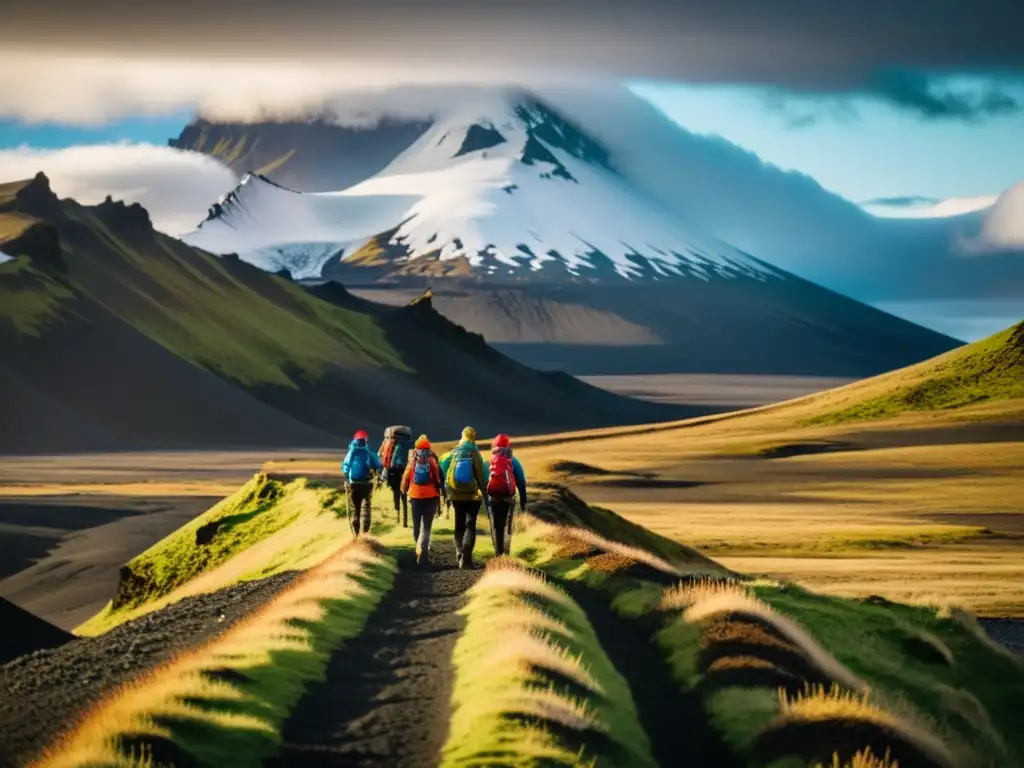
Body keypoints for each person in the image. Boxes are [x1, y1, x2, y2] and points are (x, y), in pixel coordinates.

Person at [439, 426, 489, 569]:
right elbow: (480, 473)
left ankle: (459, 551)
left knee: (459, 524)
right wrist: (483, 490)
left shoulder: (454, 452)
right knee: (470, 524)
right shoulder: (475, 452)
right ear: (473, 437)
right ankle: (466, 559)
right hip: (472, 495)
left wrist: (446, 489)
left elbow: (444, 468)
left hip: (456, 495)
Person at [401, 434, 445, 566]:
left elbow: (406, 476)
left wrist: (404, 490)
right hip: (431, 496)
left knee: (416, 525)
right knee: (426, 526)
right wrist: (441, 492)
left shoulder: (413, 459)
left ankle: (418, 547)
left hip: (415, 496)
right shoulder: (433, 458)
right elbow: (439, 477)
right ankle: (424, 553)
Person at [485, 433, 528, 556]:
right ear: (508, 446)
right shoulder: (513, 461)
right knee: (508, 525)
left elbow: (485, 480)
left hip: (493, 497)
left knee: (497, 525)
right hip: (508, 498)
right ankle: (507, 553)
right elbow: (521, 481)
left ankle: (498, 553)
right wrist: (524, 501)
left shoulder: (490, 461)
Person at [342, 429, 383, 537]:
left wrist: (346, 478)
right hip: (366, 484)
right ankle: (365, 533)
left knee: (356, 509)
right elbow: (378, 464)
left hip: (354, 483)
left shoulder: (351, 452)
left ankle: (356, 535)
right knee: (366, 507)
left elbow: (345, 467)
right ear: (366, 441)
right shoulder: (368, 452)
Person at [378, 425, 413, 528]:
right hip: (408, 470)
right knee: (406, 494)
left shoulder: (387, 443)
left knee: (396, 493)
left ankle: (398, 515)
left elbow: (379, 455)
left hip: (393, 472)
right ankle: (405, 518)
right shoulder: (412, 444)